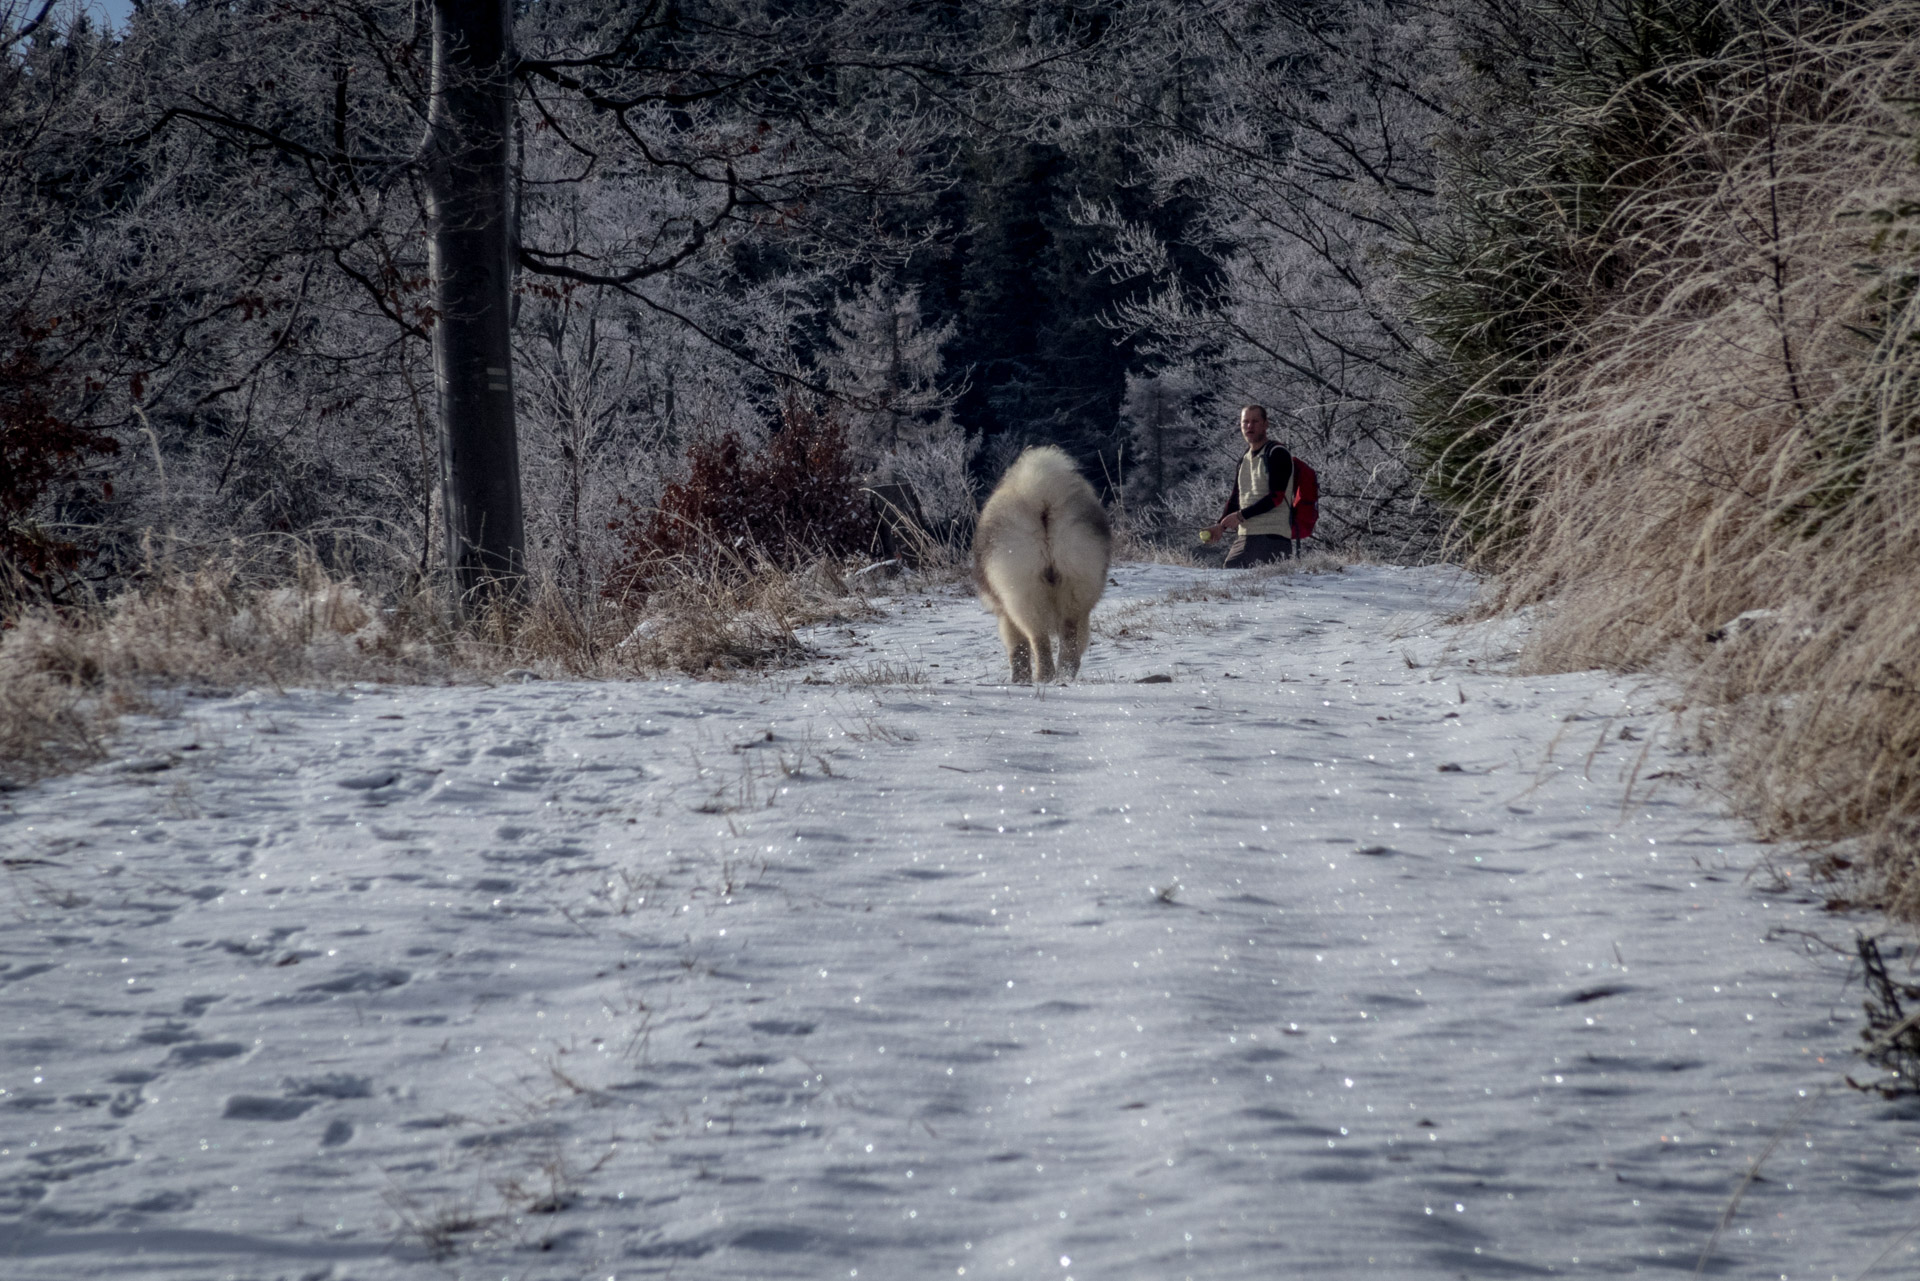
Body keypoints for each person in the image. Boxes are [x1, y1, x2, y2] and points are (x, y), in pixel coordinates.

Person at [1205, 405, 1295, 567]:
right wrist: (1221, 525)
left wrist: (1240, 516)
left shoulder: (1277, 453)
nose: (1249, 426)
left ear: (1266, 424)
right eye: (1245, 422)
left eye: (1255, 421)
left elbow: (1276, 497)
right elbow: (1235, 498)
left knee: (1234, 576)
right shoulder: (1244, 458)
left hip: (1271, 535)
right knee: (1234, 578)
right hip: (1247, 535)